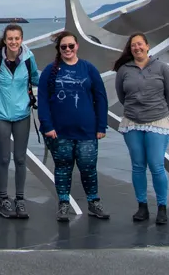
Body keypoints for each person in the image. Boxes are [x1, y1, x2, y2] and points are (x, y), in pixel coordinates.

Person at [38, 30, 110, 222]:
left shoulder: (88, 69)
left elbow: (101, 98)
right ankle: (63, 203)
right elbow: (43, 100)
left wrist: (101, 126)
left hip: (87, 131)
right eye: (64, 47)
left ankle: (94, 202)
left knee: (88, 167)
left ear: (77, 46)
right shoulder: (50, 71)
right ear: (59, 49)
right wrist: (47, 126)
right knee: (62, 168)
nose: (68, 49)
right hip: (59, 132)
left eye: (71, 46)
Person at [0, 23, 40, 219]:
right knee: (4, 158)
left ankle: (20, 200)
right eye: (10, 38)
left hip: (22, 115)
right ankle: (3, 199)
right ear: (5, 40)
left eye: (17, 38)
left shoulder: (29, 59)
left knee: (20, 159)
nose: (13, 42)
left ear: (22, 39)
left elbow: (38, 79)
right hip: (1, 115)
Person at [113, 32, 169, 225]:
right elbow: (121, 96)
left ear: (147, 46)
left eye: (140, 44)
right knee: (138, 165)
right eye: (133, 45)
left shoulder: (162, 68)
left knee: (156, 165)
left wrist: (155, 110)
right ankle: (142, 206)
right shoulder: (124, 70)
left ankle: (162, 207)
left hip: (157, 121)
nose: (137, 48)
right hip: (132, 122)